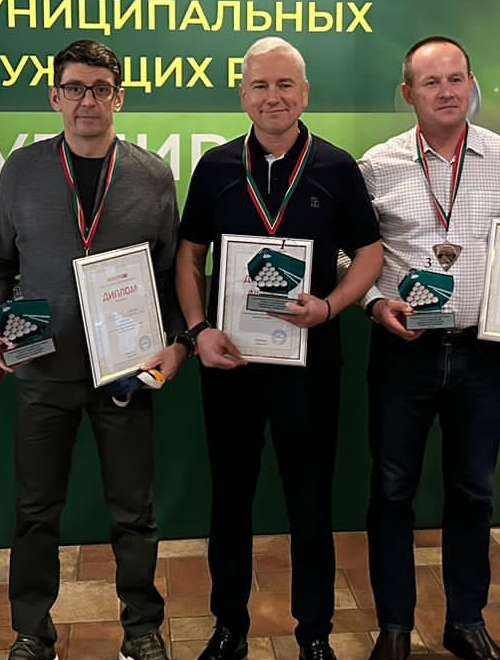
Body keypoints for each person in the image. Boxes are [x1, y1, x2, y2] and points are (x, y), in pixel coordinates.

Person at [174, 37, 384, 660]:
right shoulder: (215, 167)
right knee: (230, 499)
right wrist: (197, 329)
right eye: (261, 86)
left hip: (309, 364)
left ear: (305, 93)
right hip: (230, 362)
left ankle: (314, 632)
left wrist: (331, 306)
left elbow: (370, 253)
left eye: (285, 84)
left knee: (310, 500)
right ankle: (228, 628)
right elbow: (189, 255)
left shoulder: (336, 167)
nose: (273, 97)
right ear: (243, 95)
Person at [0, 38, 186, 660]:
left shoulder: (152, 174)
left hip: (126, 369)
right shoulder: (23, 169)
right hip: (44, 367)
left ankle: (142, 629)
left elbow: (172, 272)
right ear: (55, 97)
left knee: (134, 511)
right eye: (74, 88)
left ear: (119, 98)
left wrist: (176, 342)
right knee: (35, 510)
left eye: (100, 89)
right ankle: (31, 632)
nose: (87, 100)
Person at [358, 36, 500, 660]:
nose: (447, 91)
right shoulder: (377, 165)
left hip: (481, 352)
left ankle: (466, 621)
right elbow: (351, 254)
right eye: (431, 82)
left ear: (471, 84)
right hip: (404, 351)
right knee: (392, 491)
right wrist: (374, 302)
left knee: (474, 492)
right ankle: (395, 627)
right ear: (408, 93)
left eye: (457, 78)